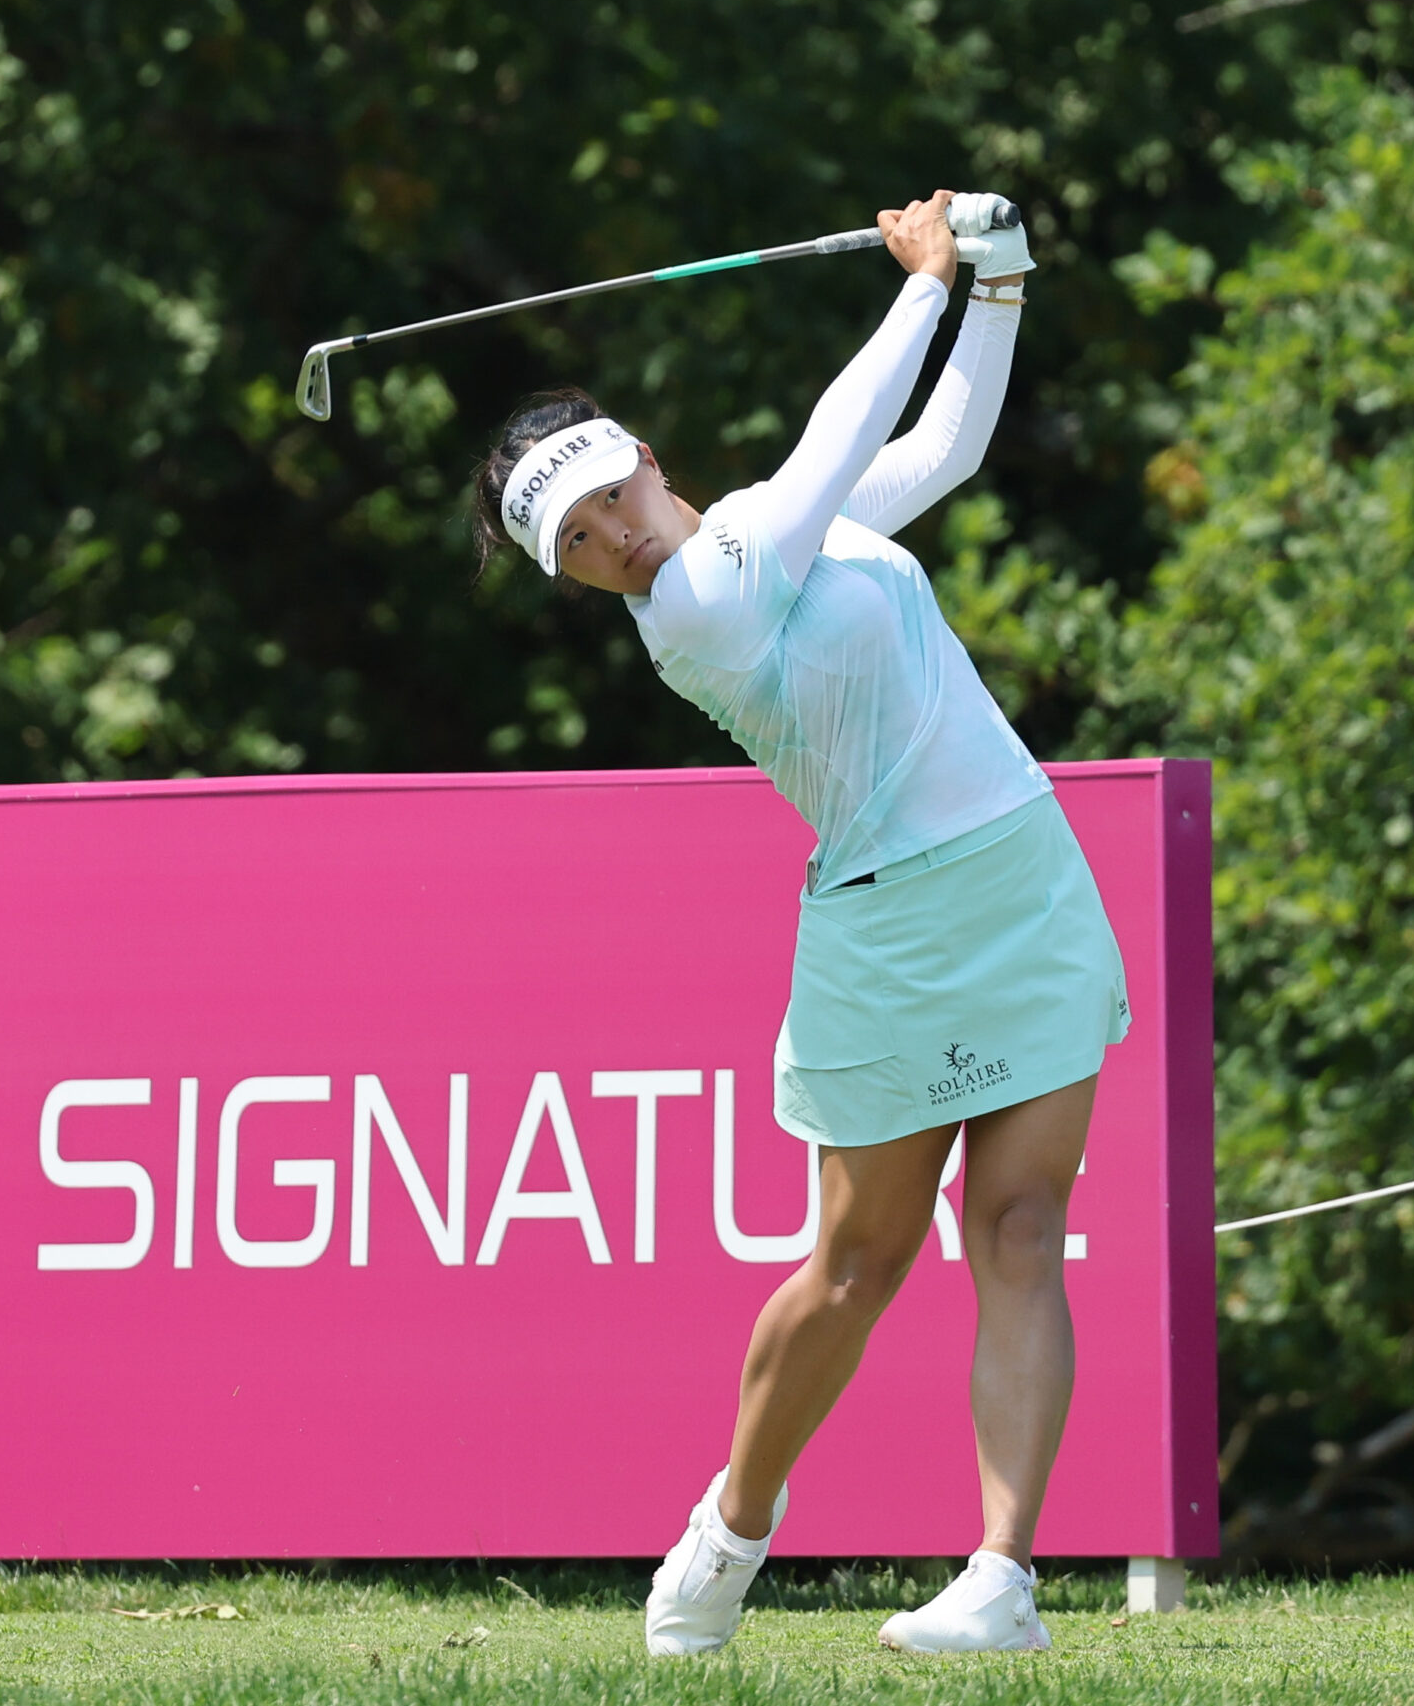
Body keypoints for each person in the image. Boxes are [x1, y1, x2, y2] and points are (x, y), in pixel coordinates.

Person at [468, 191, 1128, 1657]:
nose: (613, 546)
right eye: (577, 547)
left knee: (1019, 1228)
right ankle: (733, 1526)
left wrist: (1000, 285)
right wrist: (924, 280)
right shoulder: (696, 602)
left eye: (610, 507)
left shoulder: (781, 531)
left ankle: (1002, 1579)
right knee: (855, 1265)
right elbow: (845, 426)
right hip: (888, 936)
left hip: (1020, 879)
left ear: (646, 460)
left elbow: (936, 449)